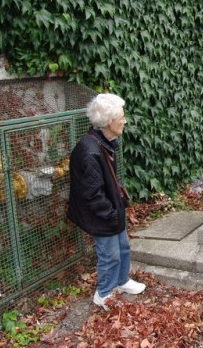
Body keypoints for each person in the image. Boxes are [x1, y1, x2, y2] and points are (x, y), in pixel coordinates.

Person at [67, 93, 145, 309]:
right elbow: (93, 195)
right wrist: (111, 214)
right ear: (110, 121)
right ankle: (104, 293)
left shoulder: (103, 142)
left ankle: (122, 281)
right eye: (122, 116)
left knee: (123, 248)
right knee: (109, 255)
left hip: (112, 209)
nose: (125, 120)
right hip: (101, 214)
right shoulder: (89, 152)